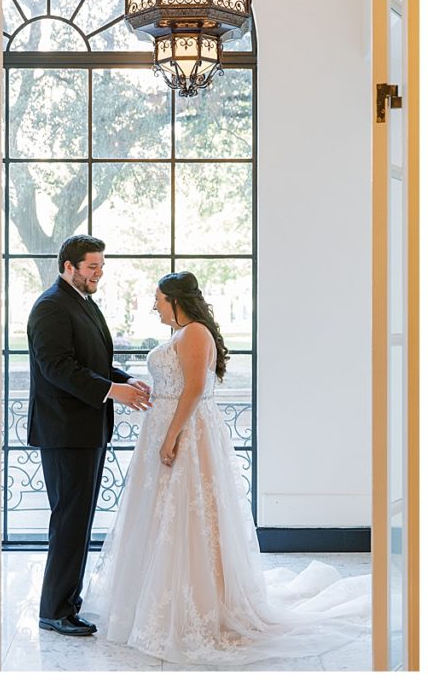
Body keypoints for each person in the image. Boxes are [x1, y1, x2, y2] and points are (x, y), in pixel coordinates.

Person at [81, 271, 369, 664]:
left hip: (186, 433)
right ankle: (148, 603)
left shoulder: (195, 332)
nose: (154, 306)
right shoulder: (182, 333)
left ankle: (193, 605)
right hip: (166, 427)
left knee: (186, 517)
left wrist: (171, 435)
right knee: (160, 517)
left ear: (176, 300)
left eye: (158, 299)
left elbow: (196, 388)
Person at [27, 234, 152, 637]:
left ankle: (67, 602)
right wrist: (113, 391)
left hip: (88, 429)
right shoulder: (50, 307)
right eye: (92, 267)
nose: (99, 273)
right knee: (69, 521)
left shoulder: (83, 303)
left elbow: (93, 362)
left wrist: (123, 377)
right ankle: (55, 610)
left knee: (78, 521)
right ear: (69, 266)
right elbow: (57, 368)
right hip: (64, 432)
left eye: (101, 266)